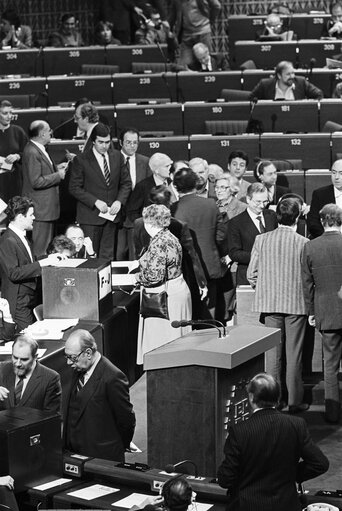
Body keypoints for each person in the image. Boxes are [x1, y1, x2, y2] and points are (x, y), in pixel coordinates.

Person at [217, 373, 329, 511]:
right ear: (278, 398)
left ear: (251, 398)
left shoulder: (239, 431)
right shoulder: (296, 425)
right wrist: (291, 474)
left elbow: (226, 479)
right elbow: (320, 463)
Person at [247, 198, 309, 412]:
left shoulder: (261, 240)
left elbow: (251, 274)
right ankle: (294, 402)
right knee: (294, 356)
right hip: (296, 305)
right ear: (298, 217)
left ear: (277, 216)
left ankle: (272, 402)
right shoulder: (303, 243)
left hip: (270, 304)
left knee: (272, 356)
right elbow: (307, 276)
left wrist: (264, 288)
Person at [133, 185, 208, 319]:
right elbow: (193, 256)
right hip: (173, 283)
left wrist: (137, 277)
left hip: (151, 287)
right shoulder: (178, 225)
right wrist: (201, 283)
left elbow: (138, 254)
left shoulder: (139, 223)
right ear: (169, 203)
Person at [63, 328, 136, 461]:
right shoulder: (79, 367)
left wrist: (119, 446)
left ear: (88, 353)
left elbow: (126, 420)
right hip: (75, 454)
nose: (68, 362)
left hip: (102, 457)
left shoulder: (113, 377)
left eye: (72, 358)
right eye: (67, 357)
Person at [132, 204, 192, 363]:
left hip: (164, 297)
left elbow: (154, 276)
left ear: (149, 223)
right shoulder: (170, 236)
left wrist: (138, 277)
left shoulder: (159, 243)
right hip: (177, 289)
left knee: (164, 346)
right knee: (179, 344)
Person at [302, 204, 342, 423]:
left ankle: (333, 414)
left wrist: (311, 311)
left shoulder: (310, 247)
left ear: (322, 221)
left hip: (326, 311)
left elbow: (306, 283)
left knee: (330, 366)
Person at [0, 196, 65, 330]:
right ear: (20, 217)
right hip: (18, 302)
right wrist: (43, 263)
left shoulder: (22, 236)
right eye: (31, 214)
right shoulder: (7, 240)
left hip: (28, 298)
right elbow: (14, 273)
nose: (34, 218)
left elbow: (30, 262)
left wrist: (51, 258)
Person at [69, 123, 131, 261]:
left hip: (111, 216)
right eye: (100, 142)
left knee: (108, 256)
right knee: (90, 255)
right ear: (93, 142)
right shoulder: (81, 160)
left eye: (107, 142)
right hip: (90, 217)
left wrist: (119, 201)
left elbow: (126, 183)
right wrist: (95, 201)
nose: (104, 146)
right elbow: (74, 188)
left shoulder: (117, 157)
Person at [172, 168, 226, 318]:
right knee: (210, 316)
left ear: (176, 187)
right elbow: (221, 235)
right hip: (210, 265)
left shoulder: (174, 209)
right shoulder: (211, 204)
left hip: (185, 270)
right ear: (196, 184)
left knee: (189, 316)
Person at [21, 120, 68, 257]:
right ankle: (39, 278)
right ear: (42, 134)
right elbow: (36, 181)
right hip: (41, 210)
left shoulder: (38, 149)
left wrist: (56, 169)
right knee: (41, 250)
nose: (51, 132)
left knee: (47, 249)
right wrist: (58, 175)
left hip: (46, 210)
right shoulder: (32, 152)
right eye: (48, 130)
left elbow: (41, 174)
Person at [227, 183, 278, 285]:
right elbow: (234, 253)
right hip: (248, 276)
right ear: (248, 199)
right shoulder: (236, 222)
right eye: (258, 202)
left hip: (272, 275)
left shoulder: (271, 216)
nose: (262, 205)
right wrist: (260, 257)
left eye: (265, 201)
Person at [0, 333, 62, 414]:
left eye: (24, 359)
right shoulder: (2, 369)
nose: (18, 363)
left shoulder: (50, 379)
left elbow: (51, 419)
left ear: (35, 357)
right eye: (15, 357)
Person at [116, 127, 151, 261]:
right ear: (121, 143)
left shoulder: (145, 161)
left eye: (135, 142)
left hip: (137, 217)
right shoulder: (113, 159)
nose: (132, 146)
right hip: (117, 216)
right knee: (118, 254)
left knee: (135, 256)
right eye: (128, 142)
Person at [126, 152, 173, 224]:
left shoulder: (173, 184)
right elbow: (132, 212)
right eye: (167, 166)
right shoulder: (142, 186)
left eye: (170, 165)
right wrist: (145, 225)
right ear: (156, 170)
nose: (170, 169)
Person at [172, 0, 221, 68]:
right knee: (184, 67)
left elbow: (216, 6)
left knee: (206, 63)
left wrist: (209, 21)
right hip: (186, 35)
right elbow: (174, 12)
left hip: (202, 32)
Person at [250, 60, 324, 100]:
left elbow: (319, 94)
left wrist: (306, 104)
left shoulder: (301, 82)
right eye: (288, 74)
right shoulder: (265, 85)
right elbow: (251, 99)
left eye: (293, 73)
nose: (292, 76)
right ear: (279, 75)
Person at [0, 99, 28, 202]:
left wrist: (17, 156)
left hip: (14, 181)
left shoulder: (18, 131)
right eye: (5, 113)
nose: (9, 116)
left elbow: (28, 153)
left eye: (11, 112)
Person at [307, 159, 342, 238]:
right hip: (326, 241)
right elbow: (312, 223)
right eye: (333, 173)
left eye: (341, 173)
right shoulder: (320, 194)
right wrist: (328, 238)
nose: (336, 177)